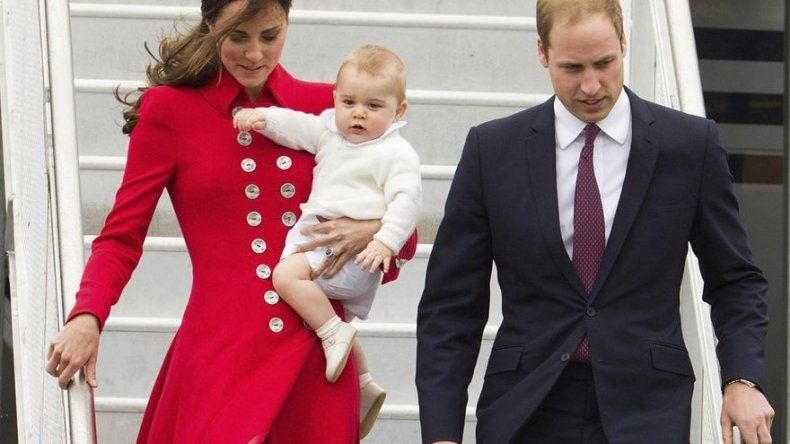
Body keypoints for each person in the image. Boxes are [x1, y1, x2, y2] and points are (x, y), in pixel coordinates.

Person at [43, 1, 416, 442]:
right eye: (238, 37)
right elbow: (122, 236)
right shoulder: (168, 110)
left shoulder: (333, 107)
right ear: (211, 26)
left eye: (269, 36)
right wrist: (88, 314)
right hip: (221, 348)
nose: (255, 54)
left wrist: (373, 231)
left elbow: (403, 232)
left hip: (315, 355)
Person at [415, 1, 773, 443]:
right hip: (526, 408)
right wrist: (441, 434)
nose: (591, 85)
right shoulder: (492, 151)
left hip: (647, 410)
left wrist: (742, 378)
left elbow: (735, 279)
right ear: (542, 53)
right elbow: (451, 307)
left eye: (605, 63)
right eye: (572, 67)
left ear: (624, 45)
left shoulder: (689, 145)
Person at [233, 44, 422, 438]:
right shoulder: (331, 133)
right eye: (349, 101)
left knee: (286, 278)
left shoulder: (395, 152)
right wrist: (262, 118)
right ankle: (364, 381)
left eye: (373, 106)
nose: (358, 113)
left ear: (398, 111)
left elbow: (408, 202)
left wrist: (383, 241)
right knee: (335, 314)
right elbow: (296, 126)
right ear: (335, 99)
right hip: (329, 250)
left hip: (351, 258)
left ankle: (333, 336)